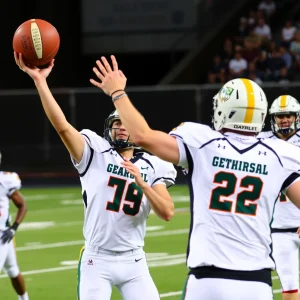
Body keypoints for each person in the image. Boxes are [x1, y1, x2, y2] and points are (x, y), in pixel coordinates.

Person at [89, 55, 300, 300]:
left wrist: (117, 92)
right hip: (256, 282)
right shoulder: (280, 153)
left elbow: (142, 136)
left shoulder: (202, 141)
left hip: (207, 279)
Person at [14, 53, 177, 300]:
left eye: (126, 123)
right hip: (97, 259)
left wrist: (142, 184)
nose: (121, 127)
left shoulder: (153, 165)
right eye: (116, 123)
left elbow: (167, 212)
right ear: (109, 128)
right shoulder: (95, 151)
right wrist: (40, 81)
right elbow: (62, 127)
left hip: (134, 260)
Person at [257, 95, 300, 300]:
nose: (284, 120)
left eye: (288, 115)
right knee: (289, 287)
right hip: (279, 228)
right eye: (280, 116)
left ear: (296, 116)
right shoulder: (262, 140)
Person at [0, 151, 29, 300]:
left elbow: (22, 205)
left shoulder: (4, 180)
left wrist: (14, 228)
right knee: (12, 270)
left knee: (13, 270)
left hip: (2, 235)